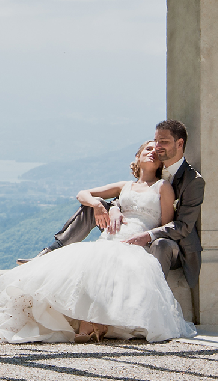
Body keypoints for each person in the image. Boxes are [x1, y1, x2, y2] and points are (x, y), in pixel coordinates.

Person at [0, 141, 197, 343]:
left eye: (156, 151)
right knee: (90, 262)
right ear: (137, 156)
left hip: (137, 241)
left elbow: (166, 224)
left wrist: (144, 237)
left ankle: (92, 324)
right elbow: (82, 193)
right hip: (111, 237)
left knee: (107, 262)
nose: (152, 152)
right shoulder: (125, 186)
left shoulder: (163, 187)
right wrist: (99, 205)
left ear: (161, 161)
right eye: (147, 149)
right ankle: (90, 323)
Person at [38, 120, 203, 312]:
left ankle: (150, 306)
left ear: (179, 144)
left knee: (161, 244)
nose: (156, 148)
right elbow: (132, 198)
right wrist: (110, 207)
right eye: (155, 142)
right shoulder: (146, 173)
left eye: (162, 142)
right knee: (92, 210)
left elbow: (181, 226)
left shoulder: (192, 181)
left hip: (168, 242)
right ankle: (53, 250)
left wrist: (147, 235)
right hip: (125, 229)